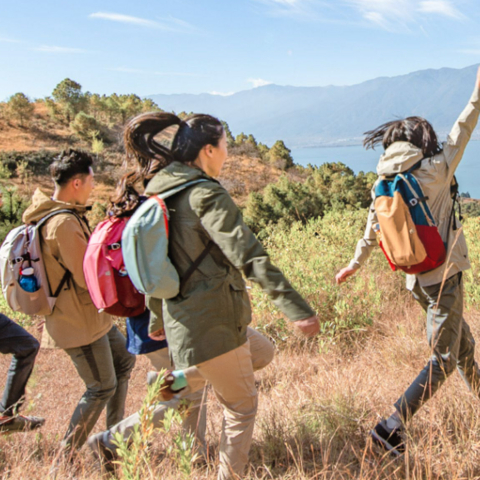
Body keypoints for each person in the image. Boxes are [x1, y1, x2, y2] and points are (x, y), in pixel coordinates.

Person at [87, 112, 319, 479]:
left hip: (185, 324)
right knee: (241, 407)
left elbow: (159, 266)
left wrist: (159, 319)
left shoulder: (162, 193)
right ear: (209, 150)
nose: (228, 151)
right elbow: (249, 253)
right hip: (212, 321)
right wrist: (296, 309)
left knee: (257, 353)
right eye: (225, 144)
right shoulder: (204, 194)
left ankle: (115, 437)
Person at [336, 66, 480, 456]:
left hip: (416, 280)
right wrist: (477, 91)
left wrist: (354, 263)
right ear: (422, 141)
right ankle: (391, 426)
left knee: (462, 344)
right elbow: (465, 124)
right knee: (446, 357)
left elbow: (372, 227)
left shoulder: (382, 180)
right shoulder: (434, 170)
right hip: (444, 275)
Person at [22, 149, 135, 454]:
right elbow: (89, 278)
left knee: (124, 361)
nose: (93, 186)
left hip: (90, 319)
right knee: (101, 386)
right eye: (91, 180)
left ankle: (114, 439)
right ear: (76, 182)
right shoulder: (63, 225)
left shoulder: (59, 215)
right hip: (78, 323)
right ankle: (66, 455)